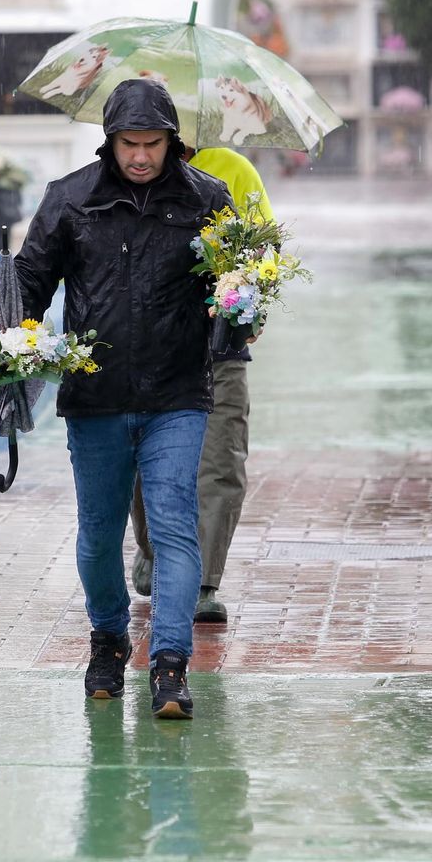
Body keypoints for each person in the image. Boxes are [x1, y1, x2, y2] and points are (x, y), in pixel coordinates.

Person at [15, 79, 233, 720]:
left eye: (153, 144)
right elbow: (30, 277)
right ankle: (108, 641)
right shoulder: (70, 199)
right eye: (129, 144)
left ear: (173, 141)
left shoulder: (207, 200)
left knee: (172, 527)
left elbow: (236, 280)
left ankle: (170, 665)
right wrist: (18, 344)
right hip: (96, 396)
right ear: (109, 142)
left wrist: (240, 312)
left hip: (178, 395)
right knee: (98, 535)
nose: (141, 156)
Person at [129, 146, 272, 625]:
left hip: (218, 347)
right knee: (145, 460)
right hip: (146, 349)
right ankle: (153, 550)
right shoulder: (128, 171)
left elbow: (262, 253)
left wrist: (251, 300)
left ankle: (203, 582)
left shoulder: (234, 171)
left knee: (221, 459)